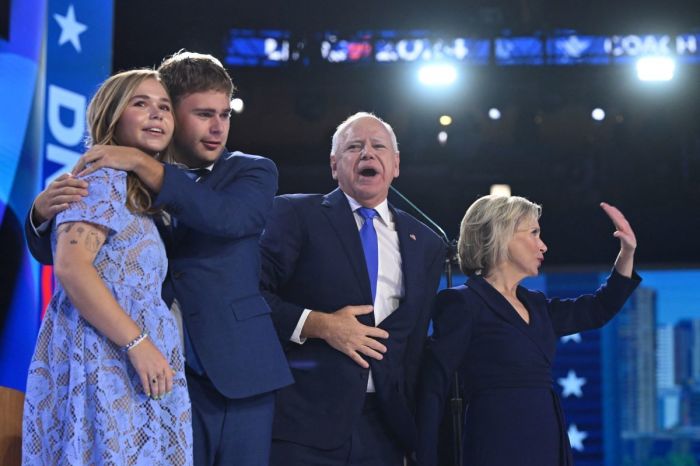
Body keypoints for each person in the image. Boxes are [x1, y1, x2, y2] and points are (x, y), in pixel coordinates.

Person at [25, 51, 293, 466]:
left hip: (236, 375)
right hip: (145, 371)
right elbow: (68, 260)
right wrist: (41, 214)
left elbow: (228, 218)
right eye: (203, 114)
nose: (218, 127)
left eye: (225, 114)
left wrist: (138, 161)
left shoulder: (251, 170)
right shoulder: (114, 180)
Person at [22, 69, 193, 465]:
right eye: (141, 103)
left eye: (164, 107)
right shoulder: (101, 179)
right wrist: (138, 343)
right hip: (105, 355)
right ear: (112, 115)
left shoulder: (138, 189)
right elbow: (71, 267)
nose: (156, 114)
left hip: (131, 358)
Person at [259, 112, 446, 465]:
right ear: (334, 165)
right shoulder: (296, 214)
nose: (367, 154)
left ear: (395, 164)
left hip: (386, 428)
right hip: (303, 423)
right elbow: (252, 295)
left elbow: (415, 342)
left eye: (379, 147)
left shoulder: (426, 241)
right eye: (354, 147)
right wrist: (320, 325)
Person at [416, 195, 641, 466]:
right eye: (534, 233)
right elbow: (432, 386)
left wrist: (626, 252)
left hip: (548, 443)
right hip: (497, 446)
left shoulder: (536, 304)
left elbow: (598, 309)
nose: (543, 245)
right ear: (502, 236)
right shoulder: (462, 303)